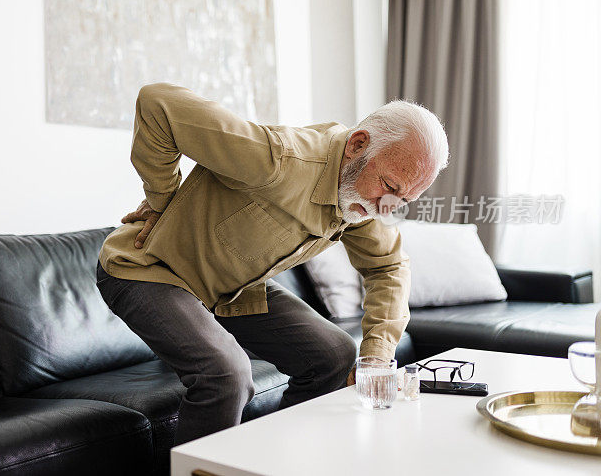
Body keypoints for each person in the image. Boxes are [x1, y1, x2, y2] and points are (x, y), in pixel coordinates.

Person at [96, 82, 449, 446]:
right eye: (389, 185)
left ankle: (273, 460)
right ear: (357, 145)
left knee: (335, 355)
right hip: (149, 270)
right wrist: (161, 199)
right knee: (227, 376)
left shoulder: (363, 200)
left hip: (230, 290)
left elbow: (389, 267)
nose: (385, 206)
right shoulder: (279, 159)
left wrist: (376, 358)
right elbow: (158, 103)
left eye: (402, 199)